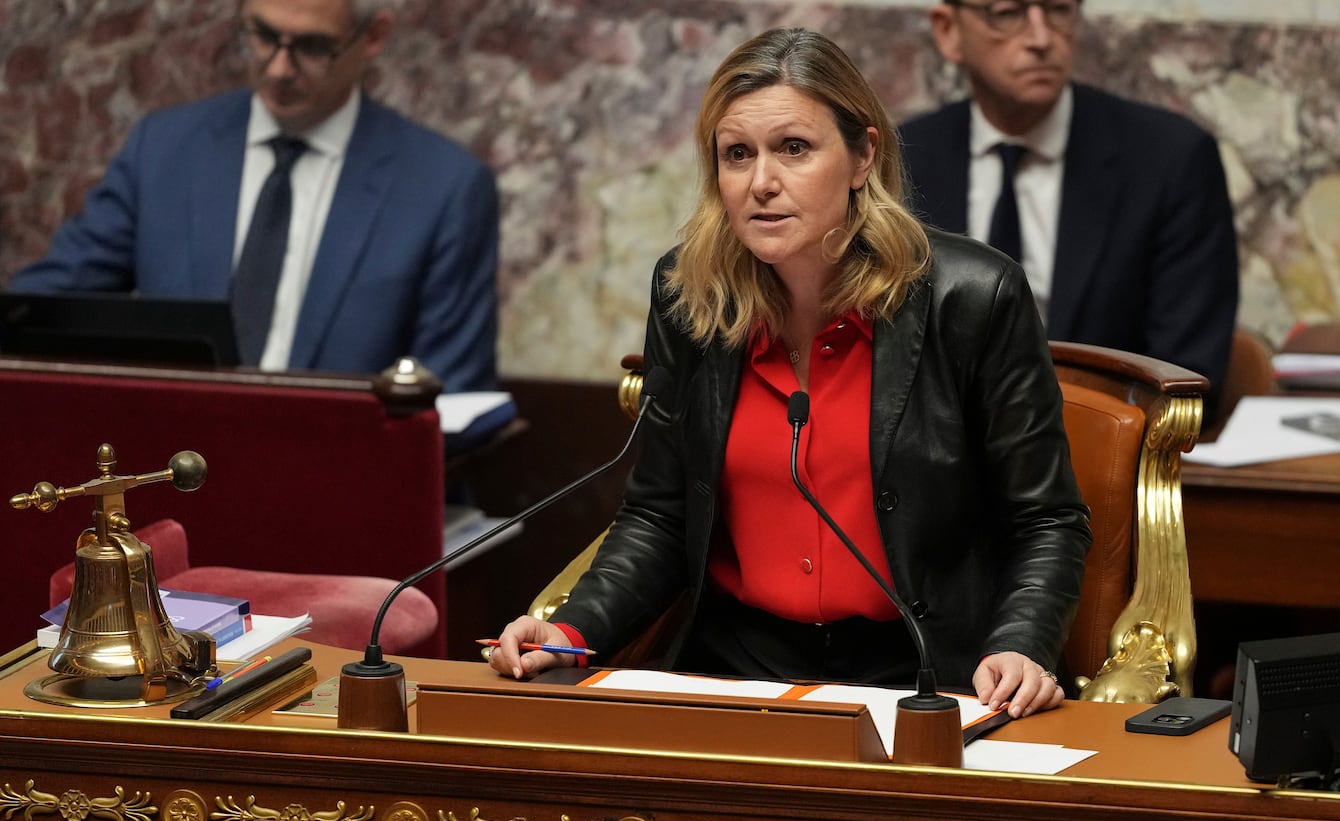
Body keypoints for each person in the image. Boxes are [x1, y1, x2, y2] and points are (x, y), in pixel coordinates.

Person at [490, 27, 1091, 718]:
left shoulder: (972, 297)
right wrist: (572, 631)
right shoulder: (691, 297)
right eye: (737, 155)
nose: (762, 182)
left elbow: (1048, 518)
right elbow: (660, 513)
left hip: (921, 670)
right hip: (735, 669)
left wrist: (1019, 645)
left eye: (794, 149)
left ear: (864, 155)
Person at [6, 0, 498, 394]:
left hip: (342, 485)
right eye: (262, 35)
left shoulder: (442, 188)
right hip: (175, 475)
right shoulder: (164, 151)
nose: (279, 68)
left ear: (373, 37)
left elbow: (451, 398)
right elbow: (42, 307)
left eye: (311, 46)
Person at [898, 0, 1238, 408]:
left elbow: (1187, 373)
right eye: (1007, 14)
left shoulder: (1170, 159)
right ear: (949, 31)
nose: (1041, 39)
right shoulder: (904, 160)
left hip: (1104, 455)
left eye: (1058, 9)